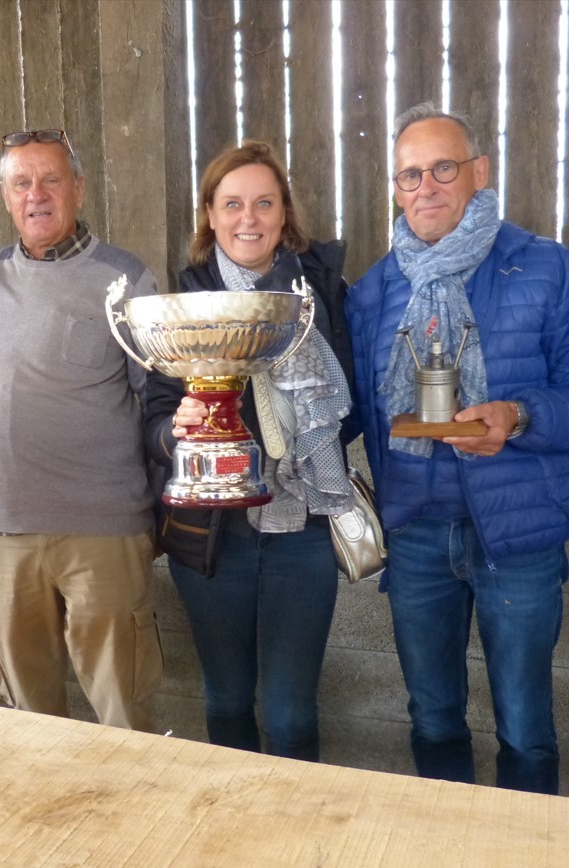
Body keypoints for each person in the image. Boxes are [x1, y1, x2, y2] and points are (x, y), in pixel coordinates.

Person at [347, 103, 569, 793]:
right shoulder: (375, 292)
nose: (426, 187)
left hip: (518, 537)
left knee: (526, 730)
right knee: (432, 720)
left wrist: (520, 415)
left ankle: (527, 842)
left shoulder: (545, 269)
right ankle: (447, 842)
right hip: (415, 535)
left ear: (480, 172)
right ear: (395, 188)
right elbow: (351, 410)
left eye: (443, 168)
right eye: (410, 174)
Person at [143, 141, 359, 761]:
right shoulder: (181, 307)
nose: (249, 218)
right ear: (210, 215)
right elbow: (153, 420)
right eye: (232, 203)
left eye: (264, 203)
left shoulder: (322, 295)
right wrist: (180, 431)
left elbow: (349, 406)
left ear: (283, 213)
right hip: (213, 538)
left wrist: (300, 440)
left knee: (292, 715)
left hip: (301, 531)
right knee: (227, 702)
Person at [0, 128, 163, 731]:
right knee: (23, 722)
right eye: (21, 182)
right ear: (6, 196)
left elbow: (160, 397)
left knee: (124, 710)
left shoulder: (124, 279)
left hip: (102, 529)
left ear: (79, 188)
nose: (36, 194)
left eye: (51, 180)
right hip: (1, 532)